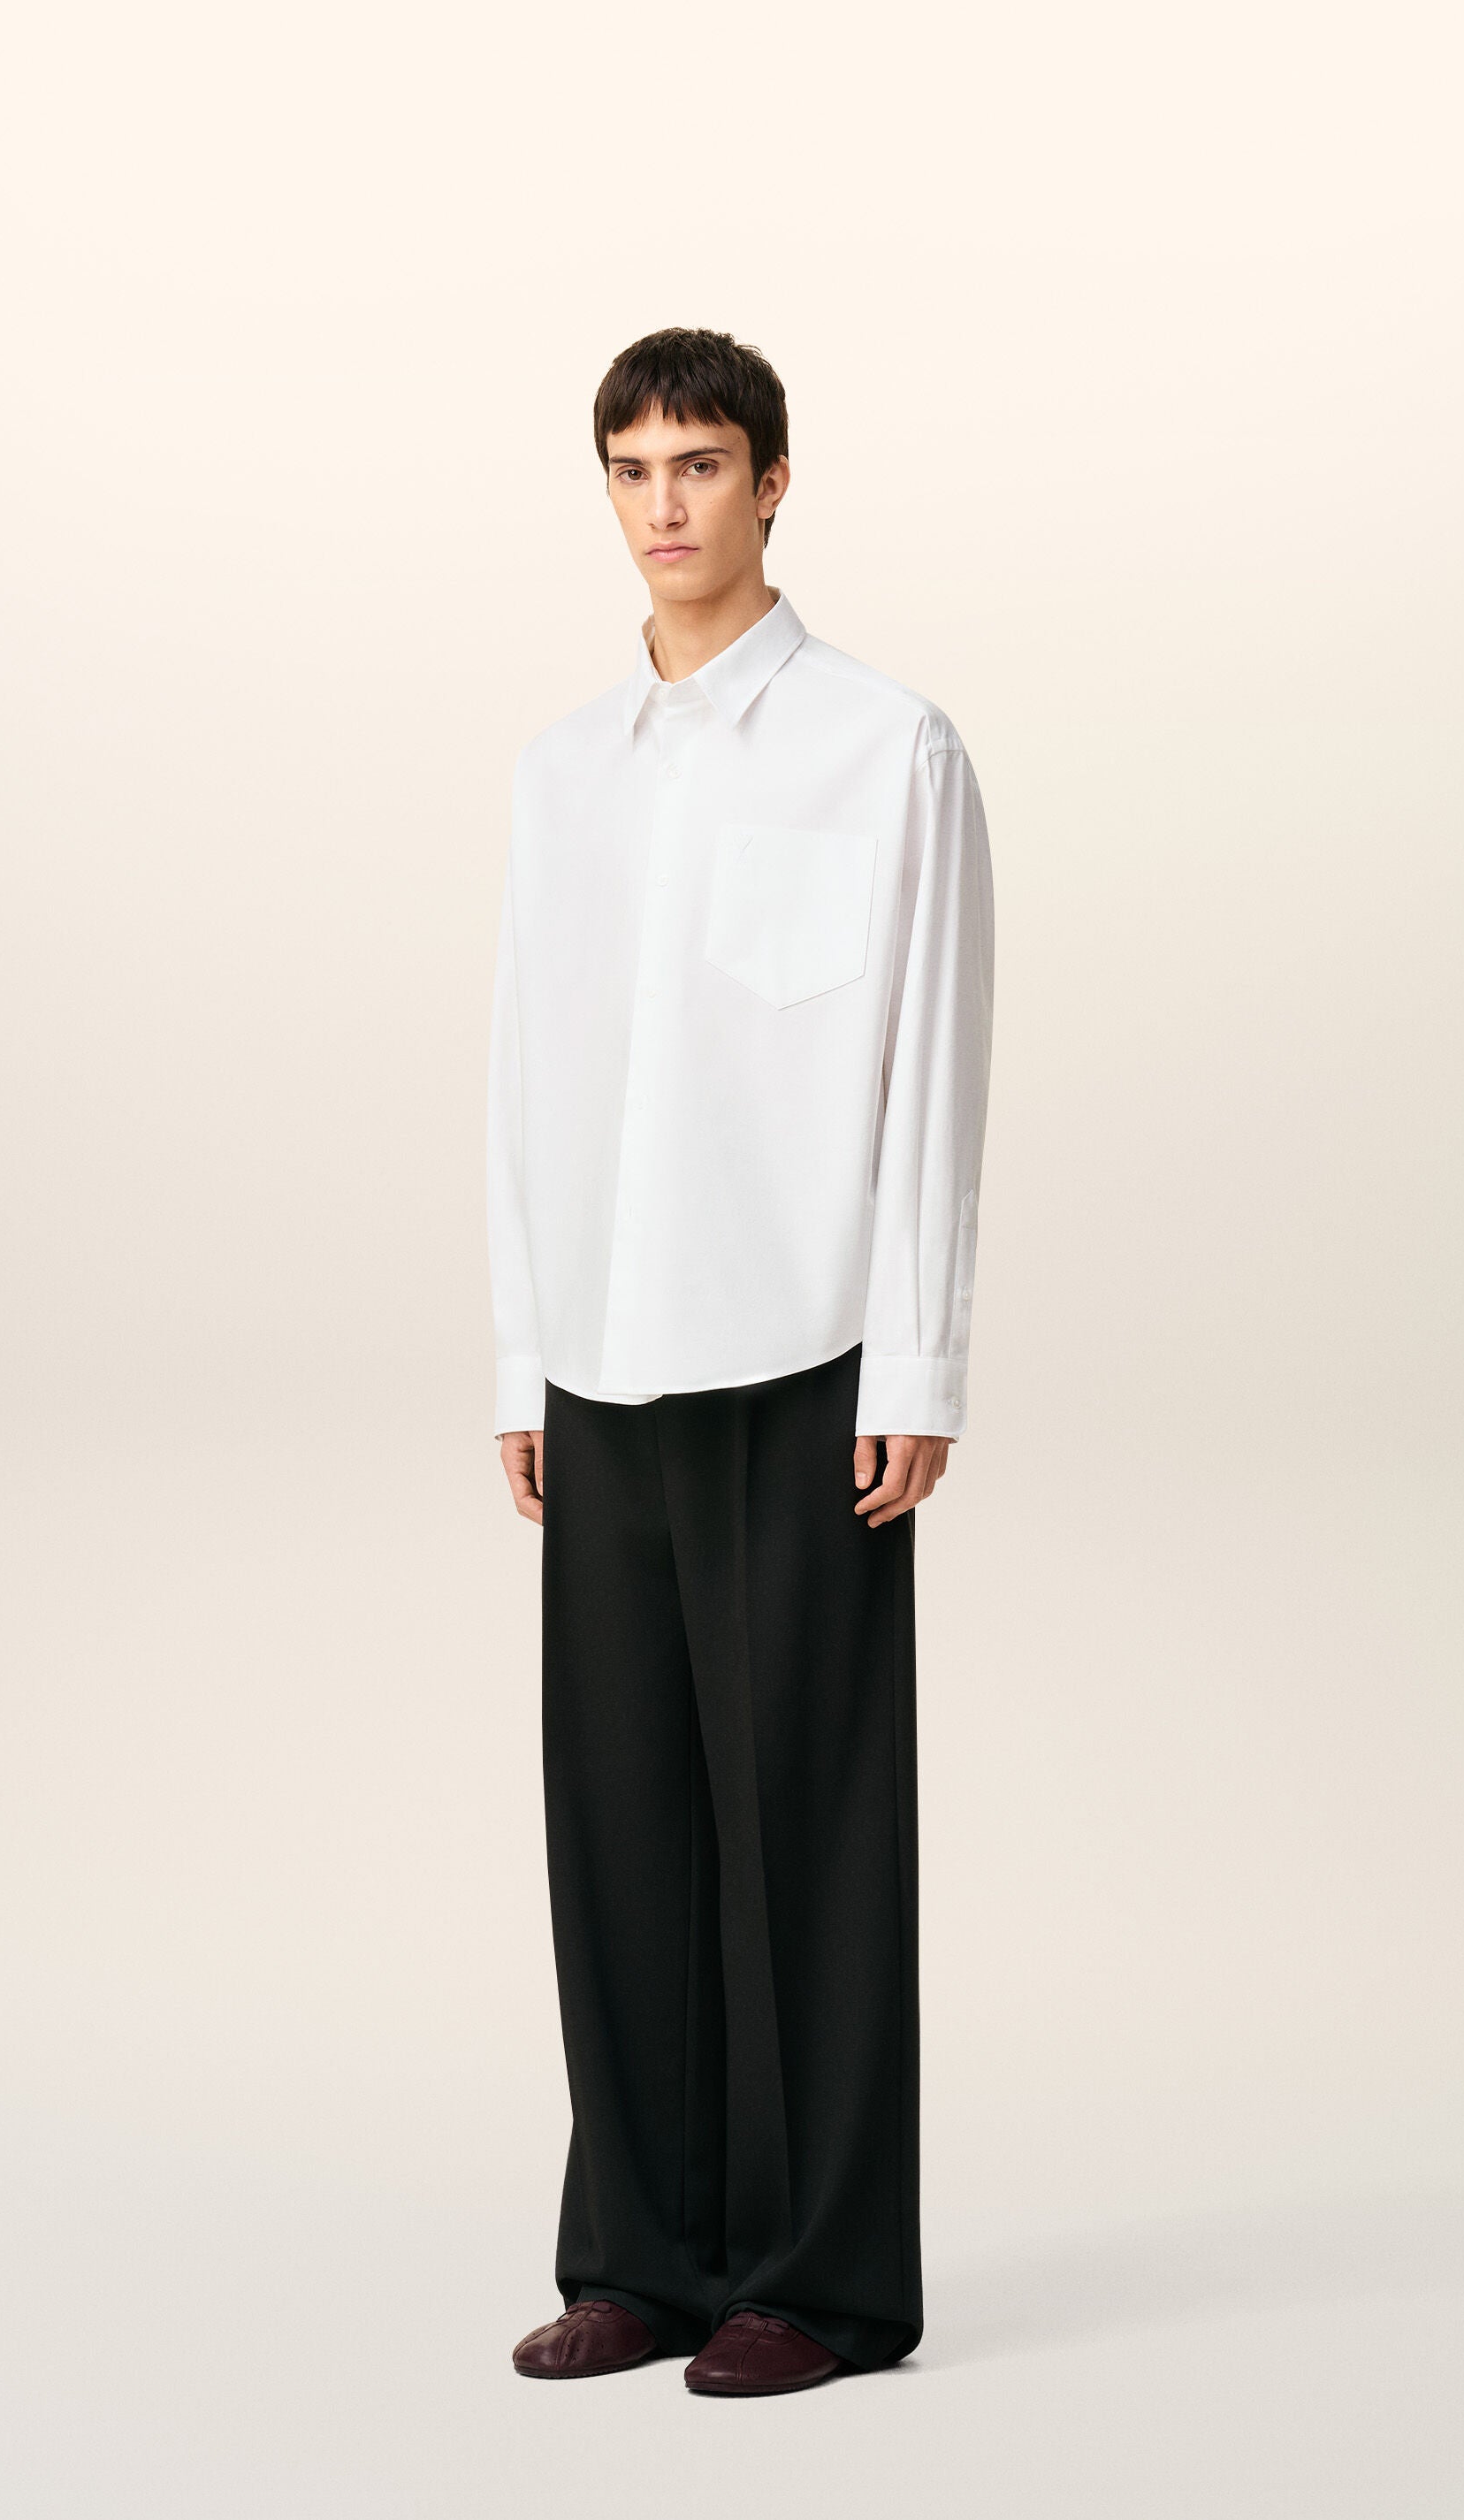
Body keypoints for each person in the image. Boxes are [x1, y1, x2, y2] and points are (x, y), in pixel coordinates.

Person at [487, 328, 995, 2397]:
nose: (665, 504)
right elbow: (525, 1068)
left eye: (700, 464)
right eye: (632, 469)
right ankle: (644, 2255)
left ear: (774, 482)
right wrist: (522, 1354)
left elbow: (934, 1058)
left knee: (808, 1821)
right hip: (605, 1357)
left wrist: (919, 1362)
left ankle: (821, 2278)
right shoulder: (564, 774)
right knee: (621, 1817)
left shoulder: (889, 747)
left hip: (806, 1343)